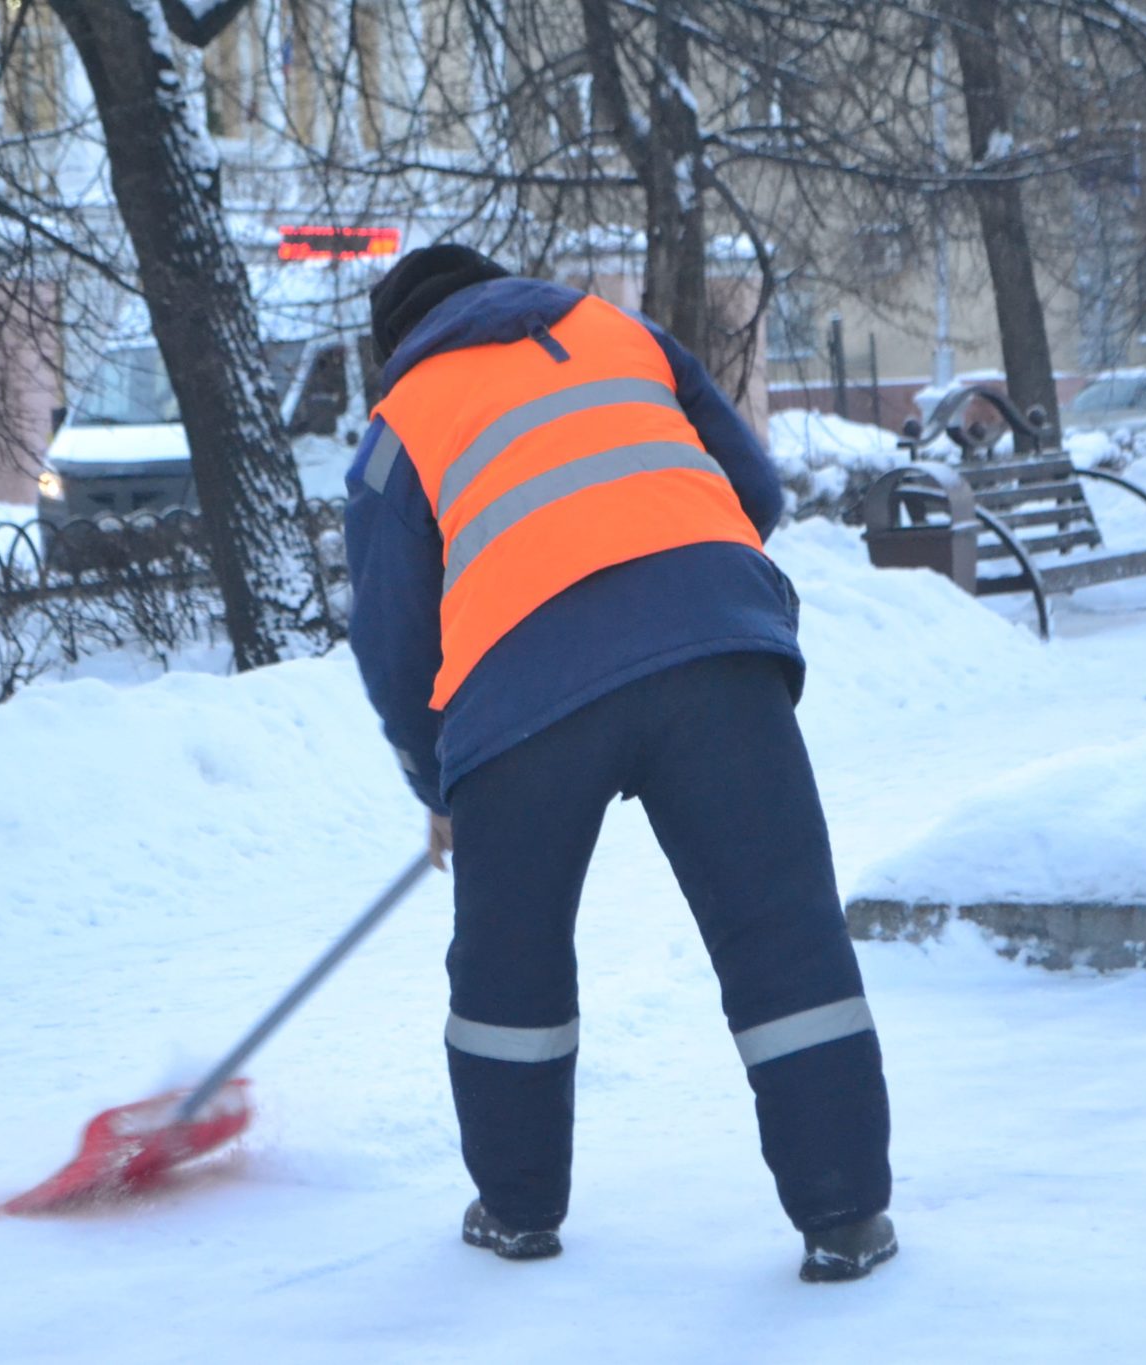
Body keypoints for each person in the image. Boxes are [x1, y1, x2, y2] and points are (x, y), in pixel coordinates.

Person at [343, 243, 895, 1282]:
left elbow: (391, 633)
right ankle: (845, 1216)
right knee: (781, 932)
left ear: (397, 341)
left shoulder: (399, 421)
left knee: (511, 964)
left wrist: (439, 778)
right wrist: (690, 578)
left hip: (521, 706)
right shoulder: (622, 333)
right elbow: (751, 487)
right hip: (717, 657)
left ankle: (515, 1210)